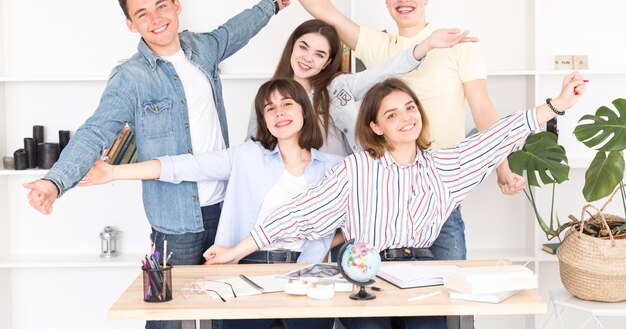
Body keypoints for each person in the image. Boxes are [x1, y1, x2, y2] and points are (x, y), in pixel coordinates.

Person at [199, 72, 586, 329]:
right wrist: (236, 251)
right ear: (375, 126)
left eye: (410, 108)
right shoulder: (355, 170)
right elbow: (298, 214)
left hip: (423, 271)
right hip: (366, 268)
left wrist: (555, 105)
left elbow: (494, 139)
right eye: (391, 114)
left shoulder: (443, 165)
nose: (405, 118)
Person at [22, 0, 290, 329]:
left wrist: (272, 3)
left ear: (177, 6)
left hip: (227, 207)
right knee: (165, 317)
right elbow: (94, 132)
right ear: (131, 25)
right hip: (176, 220)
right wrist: (56, 182)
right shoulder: (130, 78)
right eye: (142, 13)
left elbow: (236, 29)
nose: (156, 18)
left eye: (161, 5)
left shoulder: (203, 49)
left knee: (229, 309)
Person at [262, 0, 526, 264]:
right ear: (387, 2)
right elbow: (323, 10)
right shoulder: (378, 46)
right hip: (381, 193)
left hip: (438, 190)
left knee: (447, 294)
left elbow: (483, 109)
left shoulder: (459, 45)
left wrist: (502, 167)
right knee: (370, 295)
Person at [79, 78, 341, 329]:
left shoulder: (333, 167)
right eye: (269, 108)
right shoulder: (247, 156)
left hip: (307, 270)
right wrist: (113, 173)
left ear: (304, 111)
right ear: (264, 120)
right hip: (248, 267)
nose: (279, 113)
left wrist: (321, 244)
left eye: (287, 104)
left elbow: (350, 225)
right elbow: (185, 166)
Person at [247, 19, 478, 157]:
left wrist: (425, 46)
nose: (307, 58)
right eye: (303, 48)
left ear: (327, 62)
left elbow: (384, 72)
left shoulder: (337, 87)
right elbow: (252, 147)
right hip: (291, 186)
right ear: (292, 47)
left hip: (337, 185)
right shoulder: (269, 96)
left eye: (319, 54)